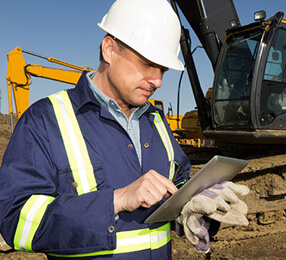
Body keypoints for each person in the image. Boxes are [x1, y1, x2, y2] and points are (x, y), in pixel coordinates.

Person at [0, 0, 249, 259]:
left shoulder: (155, 120)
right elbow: (15, 222)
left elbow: (177, 183)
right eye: (147, 64)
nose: (158, 81)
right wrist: (116, 200)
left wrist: (195, 205)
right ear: (109, 49)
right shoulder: (44, 120)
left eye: (162, 69)